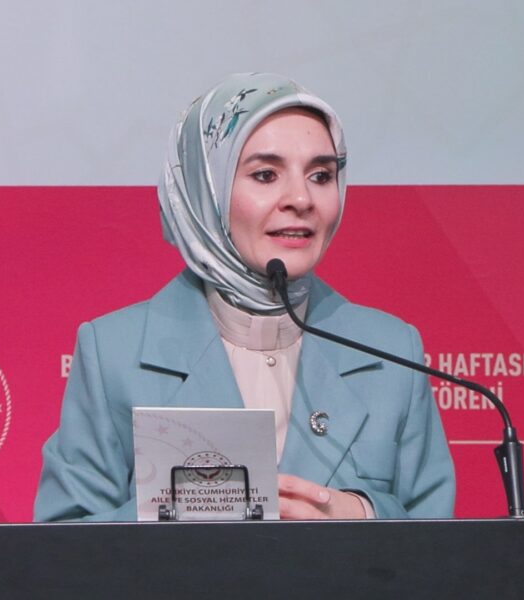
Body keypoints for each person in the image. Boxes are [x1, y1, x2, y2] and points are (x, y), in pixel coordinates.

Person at [34, 73, 454, 521]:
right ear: (205, 189)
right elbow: (64, 543)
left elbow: (440, 543)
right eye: (265, 175)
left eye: (321, 175)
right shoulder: (113, 352)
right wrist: (185, 514)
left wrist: (366, 516)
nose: (301, 199)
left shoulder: (392, 352)